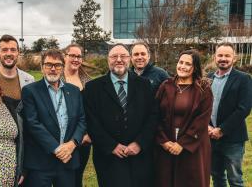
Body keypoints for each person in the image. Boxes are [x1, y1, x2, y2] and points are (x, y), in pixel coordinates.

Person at [83, 43, 159, 187]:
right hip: (109, 158)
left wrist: (139, 143)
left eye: (123, 56)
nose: (119, 59)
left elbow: (153, 116)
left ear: (129, 59)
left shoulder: (145, 85)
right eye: (114, 56)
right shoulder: (93, 88)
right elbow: (91, 121)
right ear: (108, 59)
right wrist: (112, 146)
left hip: (140, 157)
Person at [22, 49, 86, 187]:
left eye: (57, 65)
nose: (53, 69)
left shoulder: (74, 91)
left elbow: (81, 120)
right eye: (48, 64)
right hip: (41, 162)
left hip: (68, 161)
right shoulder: (30, 91)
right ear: (42, 67)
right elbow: (32, 123)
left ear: (63, 67)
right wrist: (57, 149)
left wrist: (72, 144)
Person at [155, 50, 213, 187]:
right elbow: (155, 115)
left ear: (195, 68)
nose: (183, 66)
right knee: (165, 180)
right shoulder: (166, 86)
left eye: (188, 64)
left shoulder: (203, 89)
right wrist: (163, 141)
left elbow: (202, 120)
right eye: (181, 62)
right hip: (167, 144)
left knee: (190, 181)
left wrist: (183, 144)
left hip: (193, 144)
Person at [208, 42, 252, 187]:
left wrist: (222, 129)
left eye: (227, 55)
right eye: (220, 55)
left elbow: (243, 108)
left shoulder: (243, 78)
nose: (223, 58)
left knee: (235, 180)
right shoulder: (208, 78)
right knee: (217, 177)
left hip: (232, 139)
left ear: (234, 58)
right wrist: (208, 127)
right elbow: (202, 106)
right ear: (215, 57)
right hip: (210, 138)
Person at [63, 43, 91, 187]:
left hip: (84, 140)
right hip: (63, 140)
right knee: (64, 178)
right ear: (65, 57)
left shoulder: (89, 82)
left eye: (79, 56)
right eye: (72, 55)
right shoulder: (57, 80)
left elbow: (92, 112)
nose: (75, 59)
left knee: (78, 176)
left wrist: (88, 134)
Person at [0, 34, 34, 100]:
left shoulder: (30, 80)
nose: (9, 54)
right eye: (4, 50)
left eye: (13, 50)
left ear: (18, 53)